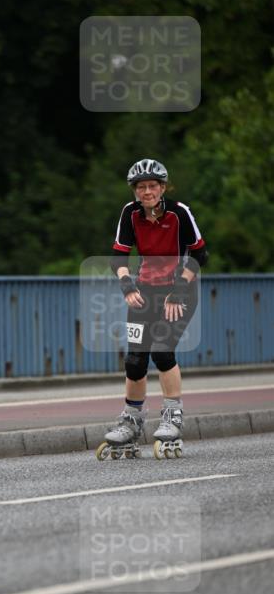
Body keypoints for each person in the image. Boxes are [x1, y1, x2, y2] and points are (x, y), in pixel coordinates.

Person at [101, 158, 208, 456]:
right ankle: (132, 421)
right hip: (144, 292)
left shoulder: (179, 213)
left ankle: (173, 415)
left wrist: (179, 289)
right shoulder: (130, 213)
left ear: (162, 187)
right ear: (135, 191)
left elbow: (200, 256)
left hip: (179, 291)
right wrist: (127, 286)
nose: (146, 191)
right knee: (135, 360)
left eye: (152, 186)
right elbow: (117, 256)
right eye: (141, 187)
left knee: (162, 350)